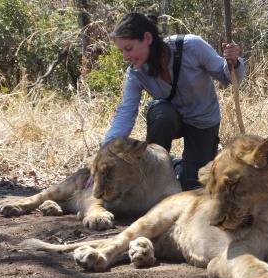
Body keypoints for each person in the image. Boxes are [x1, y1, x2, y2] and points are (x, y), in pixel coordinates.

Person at [103, 12, 245, 190]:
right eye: (122, 50)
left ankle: (177, 165)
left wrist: (234, 62)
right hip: (171, 119)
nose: (125, 57)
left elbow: (227, 77)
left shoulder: (192, 46)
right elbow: (125, 113)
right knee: (161, 113)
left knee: (194, 186)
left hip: (203, 121)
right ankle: (155, 171)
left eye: (129, 48)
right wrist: (106, 150)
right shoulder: (135, 74)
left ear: (147, 38)